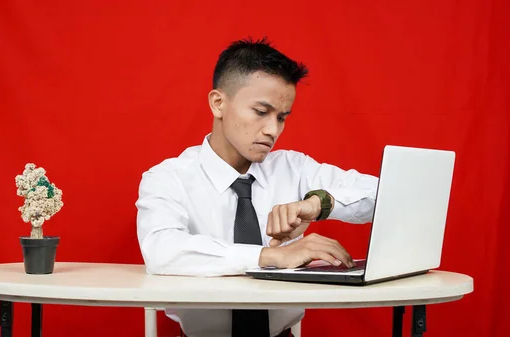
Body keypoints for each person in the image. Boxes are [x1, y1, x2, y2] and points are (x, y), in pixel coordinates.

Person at [135, 37, 379, 337]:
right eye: (261, 112)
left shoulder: (294, 168)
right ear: (218, 103)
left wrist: (320, 204)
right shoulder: (168, 177)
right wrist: (270, 257)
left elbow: (387, 195)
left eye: (281, 117)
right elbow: (162, 250)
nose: (272, 130)